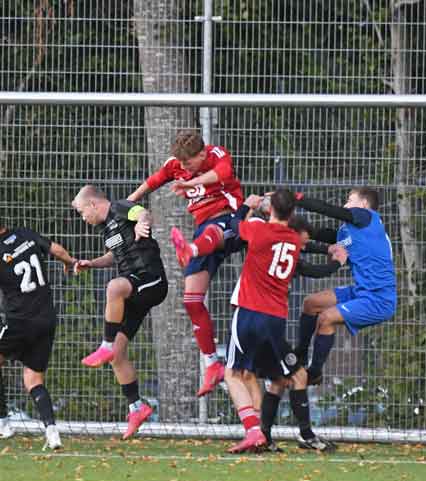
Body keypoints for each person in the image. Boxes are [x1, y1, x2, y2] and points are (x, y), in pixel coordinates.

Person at [127, 129, 244, 397]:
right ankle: (212, 364)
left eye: (188, 163)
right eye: (181, 163)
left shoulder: (216, 155)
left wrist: (191, 184)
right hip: (204, 232)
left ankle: (190, 249)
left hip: (231, 220)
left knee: (215, 229)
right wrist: (129, 201)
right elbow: (153, 181)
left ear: (202, 154)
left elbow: (222, 174)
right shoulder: (176, 165)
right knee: (191, 300)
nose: (184, 167)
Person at [222, 189, 340, 453]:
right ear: (293, 214)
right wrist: (334, 259)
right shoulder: (292, 242)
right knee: (280, 377)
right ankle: (270, 435)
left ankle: (257, 432)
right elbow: (307, 253)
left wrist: (247, 205)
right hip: (273, 318)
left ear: (272, 209)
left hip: (251, 313)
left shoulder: (260, 231)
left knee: (238, 374)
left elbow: (234, 224)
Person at [72, 185, 168, 440]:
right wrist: (92, 263)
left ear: (93, 204)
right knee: (118, 353)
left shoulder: (119, 207)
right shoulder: (107, 229)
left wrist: (142, 223)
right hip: (134, 288)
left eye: (82, 212)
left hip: (151, 279)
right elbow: (114, 256)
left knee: (114, 287)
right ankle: (137, 407)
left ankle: (104, 345)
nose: (83, 218)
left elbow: (143, 213)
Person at [259, 214, 346, 452]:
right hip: (265, 324)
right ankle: (307, 436)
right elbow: (312, 270)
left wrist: (327, 248)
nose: (304, 246)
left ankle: (263, 437)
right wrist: (338, 261)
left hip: (259, 322)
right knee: (299, 376)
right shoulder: (286, 254)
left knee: (278, 379)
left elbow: (305, 248)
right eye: (304, 241)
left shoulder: (275, 246)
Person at [293, 187, 397, 386]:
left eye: (350, 200)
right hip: (361, 291)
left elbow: (329, 209)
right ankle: (300, 355)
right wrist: (289, 221)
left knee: (326, 318)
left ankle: (314, 373)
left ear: (364, 204)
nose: (345, 205)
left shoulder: (367, 217)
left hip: (379, 300)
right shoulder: (348, 232)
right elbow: (318, 234)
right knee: (311, 303)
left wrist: (296, 198)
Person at [0, 222, 76, 449]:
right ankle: (52, 432)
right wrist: (69, 263)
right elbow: (57, 250)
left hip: (19, 320)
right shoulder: (24, 233)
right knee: (33, 379)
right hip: (46, 319)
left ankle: (3, 422)